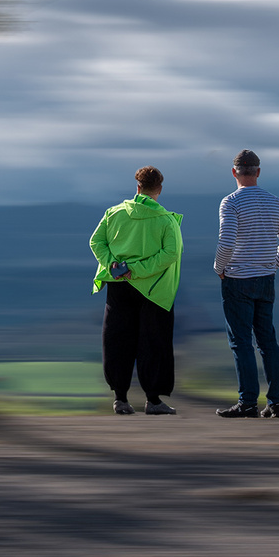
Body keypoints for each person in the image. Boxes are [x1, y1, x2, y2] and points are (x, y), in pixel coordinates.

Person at [89, 166, 184, 416]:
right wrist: (139, 270)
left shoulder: (114, 213)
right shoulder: (166, 220)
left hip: (119, 286)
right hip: (153, 289)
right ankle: (153, 401)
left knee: (118, 340)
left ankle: (120, 399)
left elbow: (96, 241)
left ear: (137, 187)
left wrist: (114, 265)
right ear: (159, 190)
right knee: (153, 342)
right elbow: (171, 253)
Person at [214, 150, 279, 418]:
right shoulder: (276, 202)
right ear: (258, 172)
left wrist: (219, 268)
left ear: (234, 172)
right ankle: (276, 403)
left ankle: (248, 402)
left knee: (241, 342)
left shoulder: (231, 202)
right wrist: (271, 264)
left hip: (238, 280)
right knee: (268, 342)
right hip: (265, 280)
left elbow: (227, 242)